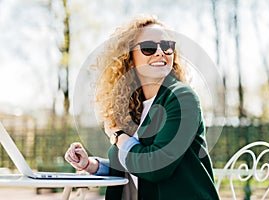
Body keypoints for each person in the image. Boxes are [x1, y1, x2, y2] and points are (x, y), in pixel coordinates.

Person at [65, 15, 220, 200]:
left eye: (166, 46)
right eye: (148, 48)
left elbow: (155, 167)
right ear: (129, 58)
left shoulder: (181, 97)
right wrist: (91, 165)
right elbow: (133, 163)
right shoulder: (132, 107)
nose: (160, 53)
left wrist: (119, 137)